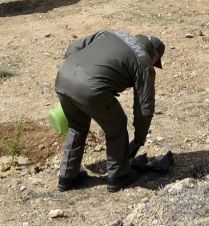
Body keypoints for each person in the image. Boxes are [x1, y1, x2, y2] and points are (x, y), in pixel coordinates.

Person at [54, 31, 165, 194]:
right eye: (155, 61)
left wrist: (79, 75)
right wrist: (139, 138)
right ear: (154, 55)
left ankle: (67, 177)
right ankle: (119, 175)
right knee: (117, 127)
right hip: (92, 89)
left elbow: (73, 48)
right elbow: (144, 107)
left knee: (77, 127)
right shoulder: (144, 60)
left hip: (64, 77)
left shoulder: (111, 33)